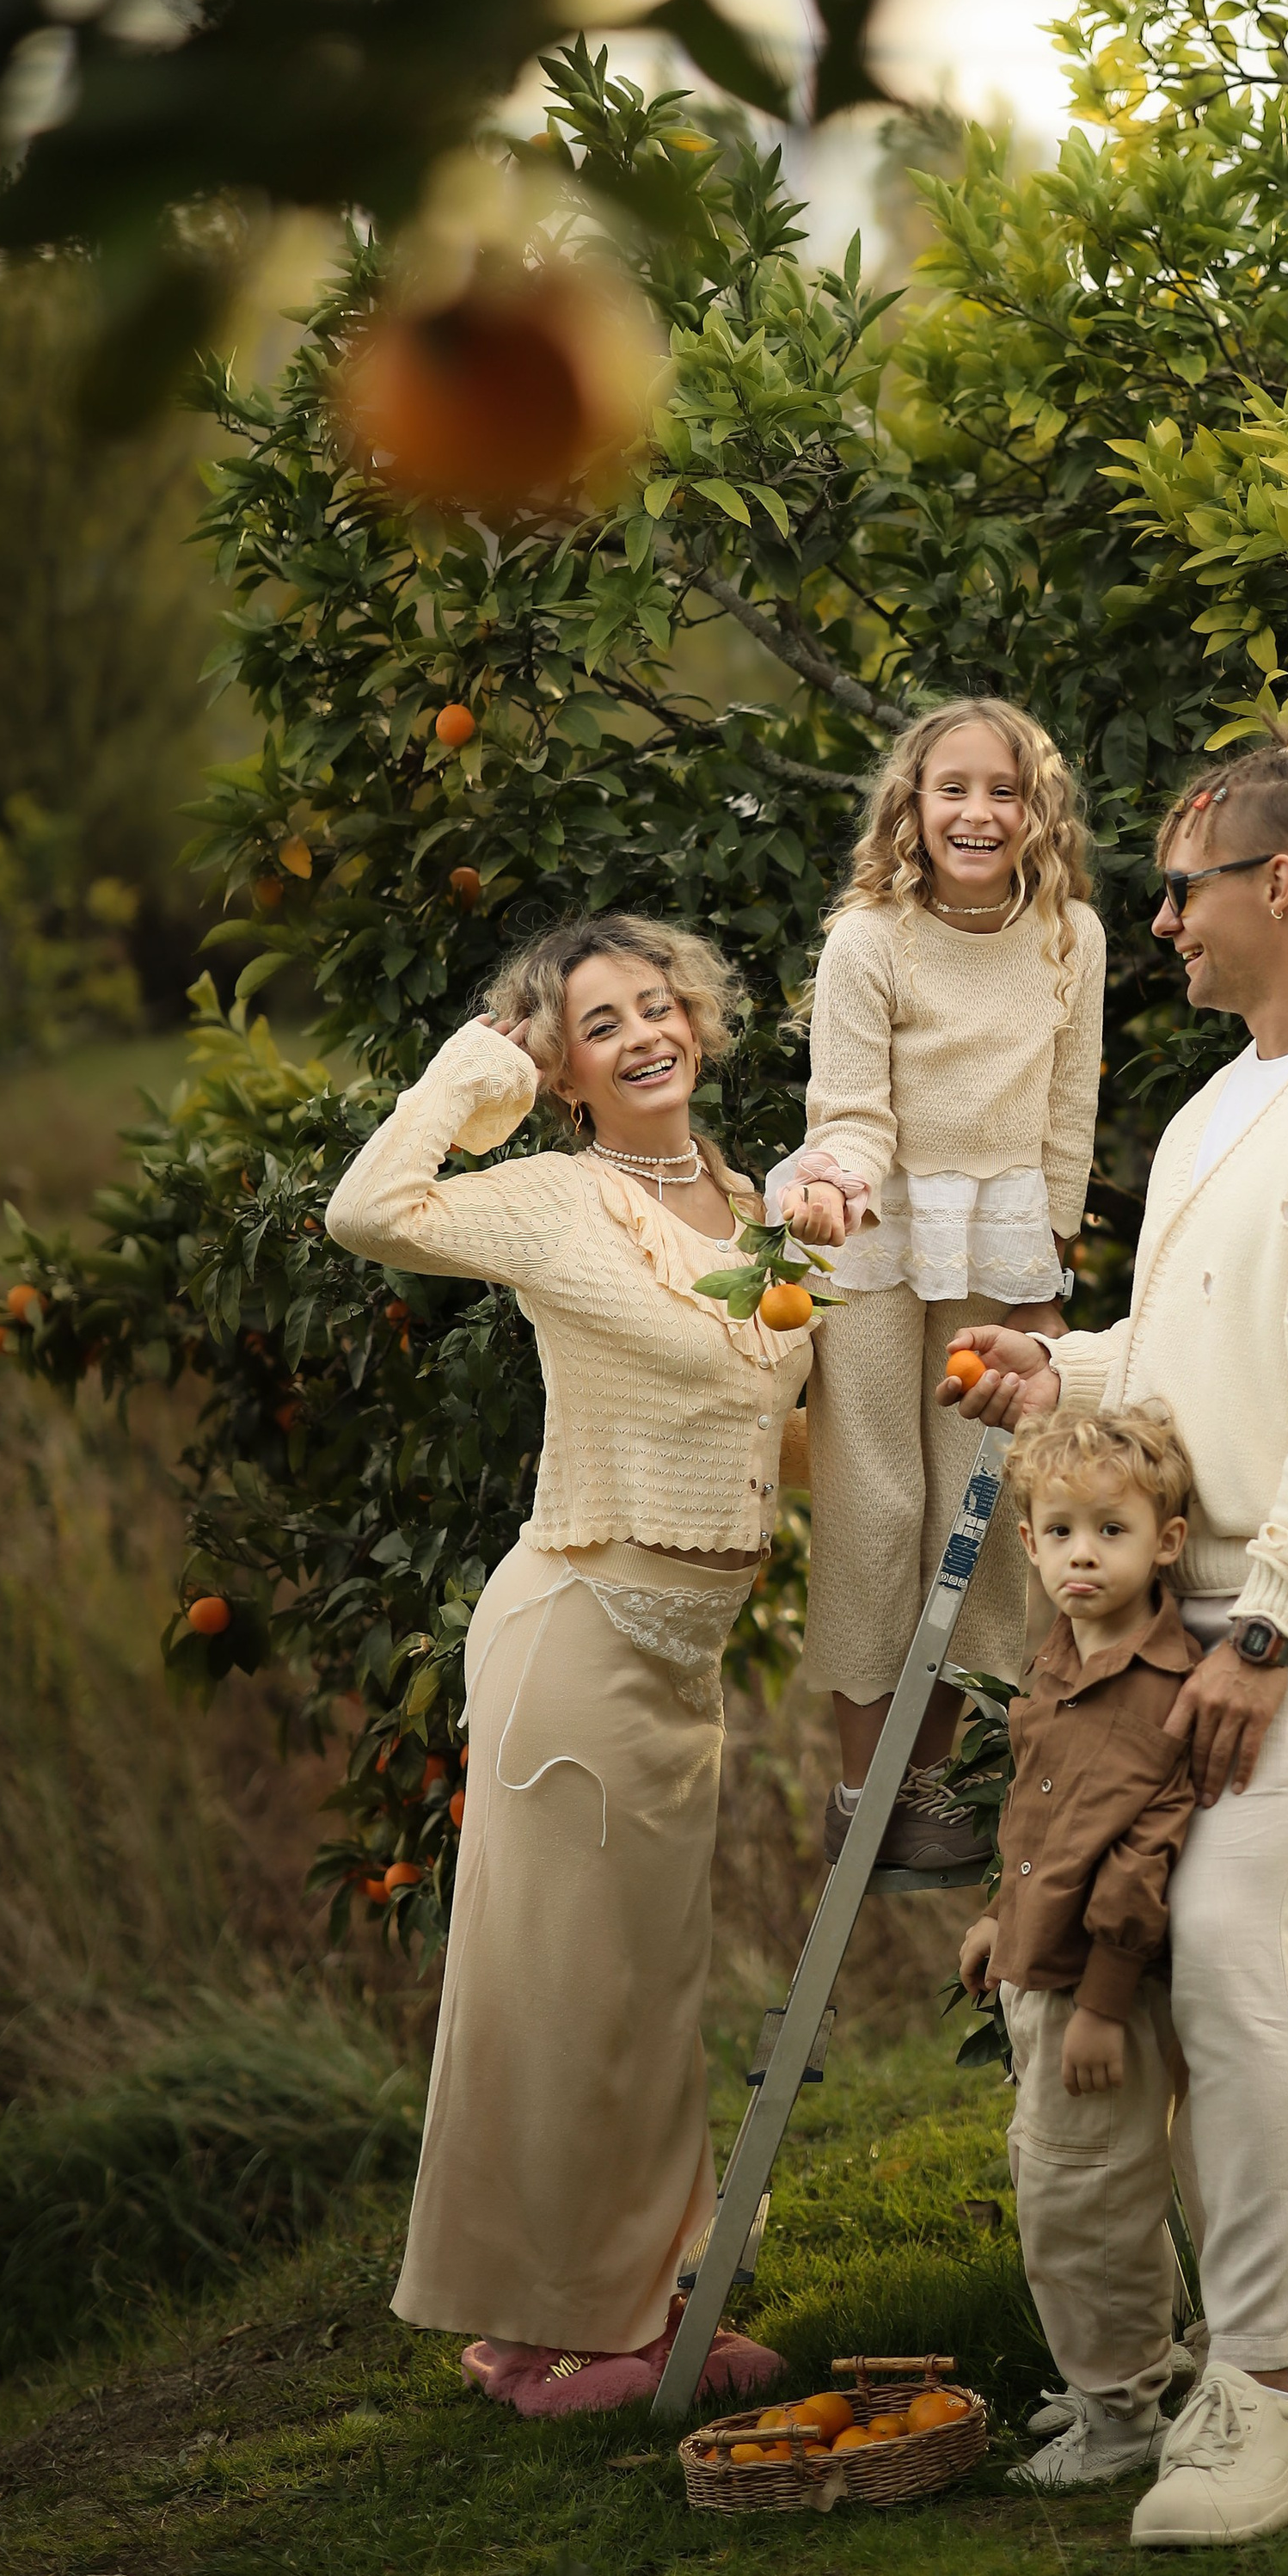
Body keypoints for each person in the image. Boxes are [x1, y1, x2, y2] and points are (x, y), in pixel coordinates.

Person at [944, 706, 1288, 2548]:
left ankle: (1253, 2393)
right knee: (1217, 1950)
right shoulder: (1217, 1104)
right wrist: (1069, 1368)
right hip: (1189, 1600)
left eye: (1179, 892)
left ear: (1280, 884)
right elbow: (1207, 1355)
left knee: (1220, 1935)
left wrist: (1264, 1630)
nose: (1157, 921)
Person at [323, 911, 805, 2421]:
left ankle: (572, 2316)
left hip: (685, 1652)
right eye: (603, 1025)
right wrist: (489, 1071)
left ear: (701, 1022)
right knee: (569, 1991)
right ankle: (596, 2328)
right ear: (569, 1067)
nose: (645, 1034)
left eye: (660, 1006)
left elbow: (784, 1418)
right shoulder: (552, 1198)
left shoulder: (770, 1205)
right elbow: (368, 1206)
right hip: (581, 1624)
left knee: (640, 1989)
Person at [774, 698, 1107, 1872]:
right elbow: (853, 1110)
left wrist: (1044, 1276)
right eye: (951, 788)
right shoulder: (871, 938)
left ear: (1037, 810)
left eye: (1002, 790)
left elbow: (1069, 1116)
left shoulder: (1072, 935)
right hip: (875, 1244)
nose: (977, 811)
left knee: (981, 1510)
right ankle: (866, 1785)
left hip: (997, 1245)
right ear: (912, 806)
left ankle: (943, 1785)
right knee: (879, 1507)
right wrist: (837, 1186)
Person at [958, 1405, 1199, 2494]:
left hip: (1090, 1993)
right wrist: (997, 1922)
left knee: (1079, 2202)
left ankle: (1121, 2416)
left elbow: (1143, 1858)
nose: (1082, 1556)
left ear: (1168, 1543)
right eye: (1060, 1534)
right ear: (1028, 1545)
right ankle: (1137, 2370)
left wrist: (1102, 1999)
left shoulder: (1164, 1688)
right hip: (1037, 1967)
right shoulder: (1060, 1657)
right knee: (1083, 2181)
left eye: (1110, 1531)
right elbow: (1037, 1813)